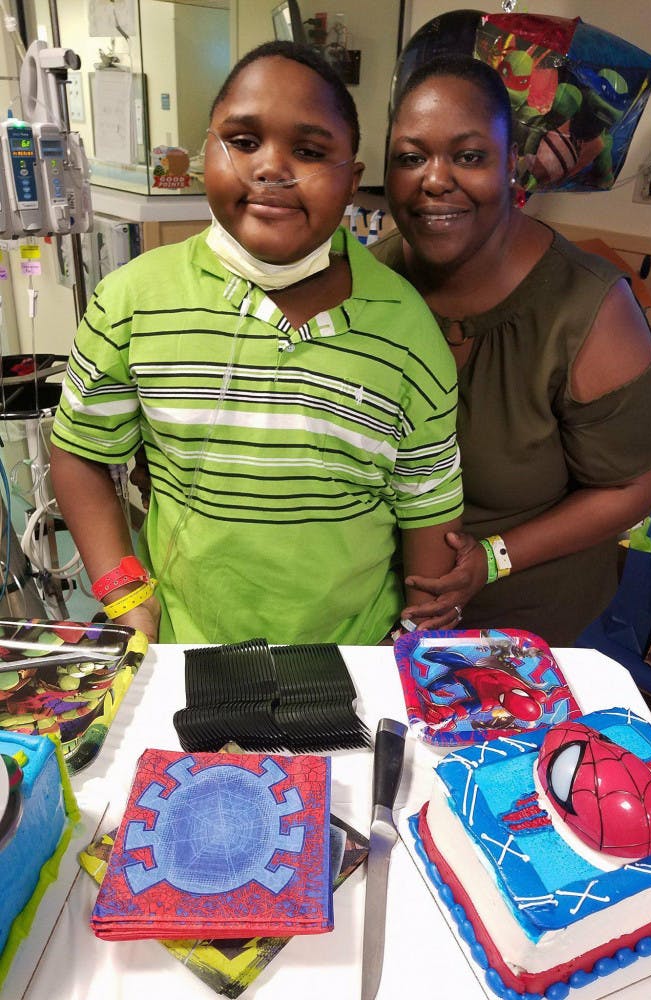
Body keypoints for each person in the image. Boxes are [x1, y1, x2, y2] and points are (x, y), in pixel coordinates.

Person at [50, 41, 463, 645]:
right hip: (188, 647)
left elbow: (426, 509)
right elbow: (82, 453)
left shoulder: (408, 332)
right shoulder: (133, 302)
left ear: (351, 181)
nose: (270, 167)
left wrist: (412, 650)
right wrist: (125, 594)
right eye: (243, 142)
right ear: (203, 157)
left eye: (309, 150)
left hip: (352, 657)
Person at [372, 54, 651, 647]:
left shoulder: (587, 309)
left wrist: (490, 559)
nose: (435, 179)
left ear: (512, 165)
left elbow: (634, 486)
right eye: (411, 158)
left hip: (527, 634)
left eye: (469, 156)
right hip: (374, 619)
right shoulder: (367, 286)